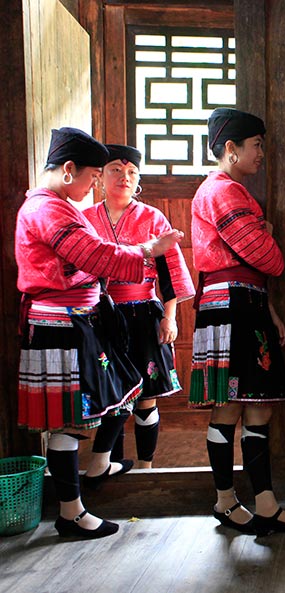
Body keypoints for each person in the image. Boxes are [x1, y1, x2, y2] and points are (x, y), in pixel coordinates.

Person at [15, 127, 182, 538]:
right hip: (64, 323)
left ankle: (105, 476)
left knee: (122, 397)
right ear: (70, 170)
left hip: (98, 318)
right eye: (98, 175)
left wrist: (169, 312)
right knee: (71, 422)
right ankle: (72, 510)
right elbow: (93, 255)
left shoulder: (61, 206)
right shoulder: (49, 209)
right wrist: (145, 251)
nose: (99, 183)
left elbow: (166, 271)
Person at [189, 107, 285, 535]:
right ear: (231, 148)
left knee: (258, 406)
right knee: (230, 406)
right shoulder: (222, 191)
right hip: (232, 303)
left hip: (246, 301)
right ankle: (225, 501)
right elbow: (269, 260)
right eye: (257, 145)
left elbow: (258, 263)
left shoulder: (232, 190)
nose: (262, 153)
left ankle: (265, 503)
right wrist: (267, 236)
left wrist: (269, 307)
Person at [83, 145, 194, 471]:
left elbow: (170, 272)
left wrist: (170, 318)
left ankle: (145, 466)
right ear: (101, 176)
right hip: (102, 316)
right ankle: (113, 464)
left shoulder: (152, 217)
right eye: (116, 170)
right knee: (112, 395)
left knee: (146, 396)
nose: (124, 177)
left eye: (131, 172)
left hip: (144, 312)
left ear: (139, 179)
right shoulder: (87, 219)